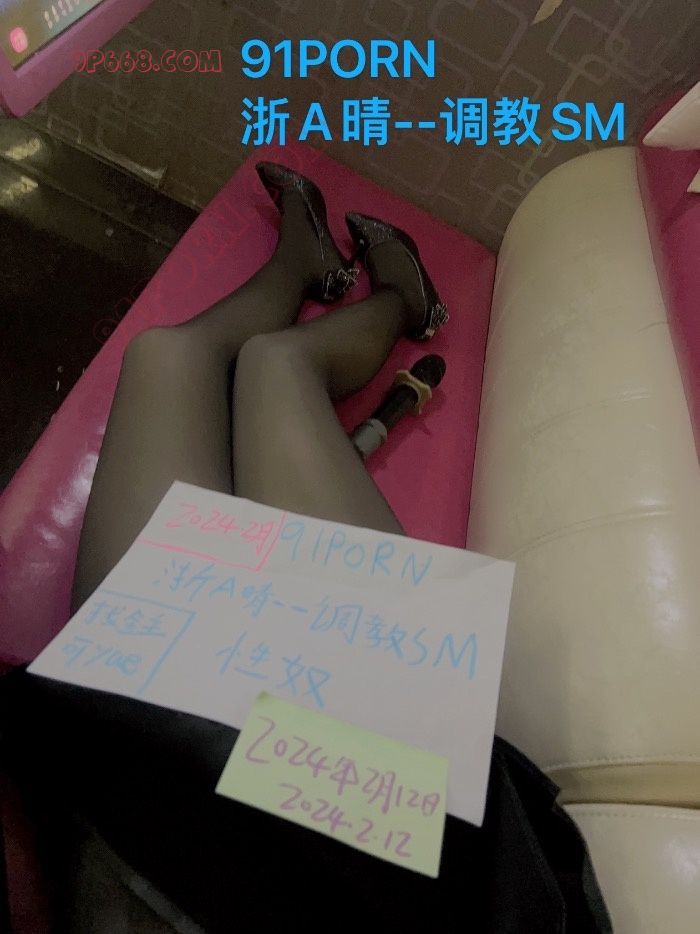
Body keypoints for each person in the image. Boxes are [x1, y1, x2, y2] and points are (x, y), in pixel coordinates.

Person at [2, 164, 610, 933]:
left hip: (135, 772)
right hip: (368, 853)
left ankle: (310, 267)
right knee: (276, 367)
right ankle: (397, 300)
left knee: (165, 356)